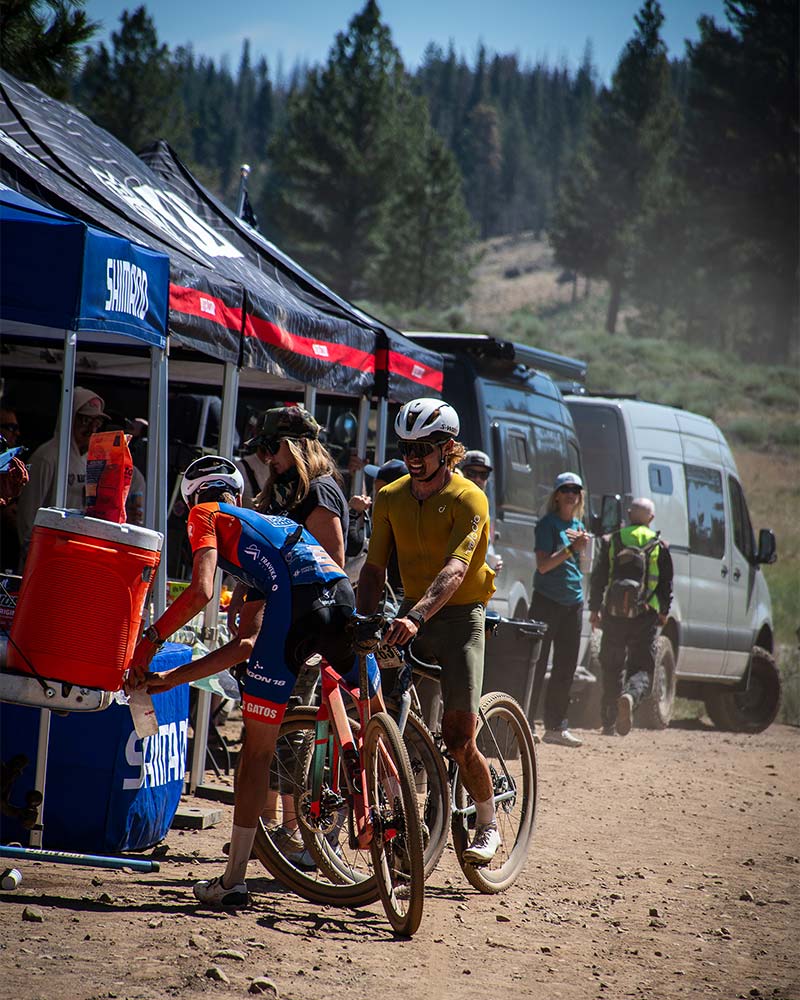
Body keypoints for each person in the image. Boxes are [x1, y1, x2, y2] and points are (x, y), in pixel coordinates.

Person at [128, 455, 381, 908]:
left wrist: (149, 641)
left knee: (257, 753)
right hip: (340, 594)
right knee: (377, 720)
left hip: (297, 610)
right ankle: (403, 832)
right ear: (239, 496)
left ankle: (232, 882)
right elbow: (245, 645)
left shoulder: (206, 514)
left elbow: (203, 590)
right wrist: (172, 679)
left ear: (190, 503)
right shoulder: (271, 525)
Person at [357, 397, 502, 865]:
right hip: (409, 613)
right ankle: (408, 819)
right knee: (384, 717)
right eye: (407, 446)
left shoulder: (468, 498)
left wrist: (416, 617)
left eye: (425, 446)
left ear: (448, 449)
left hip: (459, 619)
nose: (414, 456)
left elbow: (456, 569)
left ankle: (488, 822)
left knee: (459, 739)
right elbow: (375, 567)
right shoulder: (390, 496)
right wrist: (361, 623)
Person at [589, 497, 674, 736]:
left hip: (614, 614)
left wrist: (595, 609)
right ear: (651, 518)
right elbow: (666, 583)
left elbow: (599, 577)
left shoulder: (613, 540)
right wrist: (664, 611)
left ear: (628, 514)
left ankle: (609, 722)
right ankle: (631, 695)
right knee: (643, 669)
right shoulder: (659, 545)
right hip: (645, 615)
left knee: (611, 666)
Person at [528, 472, 591, 748]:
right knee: (536, 663)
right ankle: (526, 722)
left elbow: (583, 567)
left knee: (566, 667)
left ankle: (556, 726)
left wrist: (584, 549)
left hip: (573, 601)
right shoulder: (547, 525)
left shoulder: (578, 525)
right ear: (556, 495)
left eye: (575, 490)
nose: (571, 494)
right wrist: (570, 549)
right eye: (565, 489)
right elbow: (542, 566)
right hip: (546, 599)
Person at [16, 387, 108, 565]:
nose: (91, 429)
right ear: (70, 418)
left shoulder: (94, 461)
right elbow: (28, 512)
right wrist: (32, 553)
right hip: (45, 556)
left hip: (78, 556)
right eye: (85, 420)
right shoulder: (47, 456)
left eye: (96, 422)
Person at [458, 449, 503, 574]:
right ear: (461, 472)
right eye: (471, 473)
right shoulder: (454, 500)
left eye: (483, 475)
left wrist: (492, 564)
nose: (477, 479)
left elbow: (485, 544)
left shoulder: (485, 504)